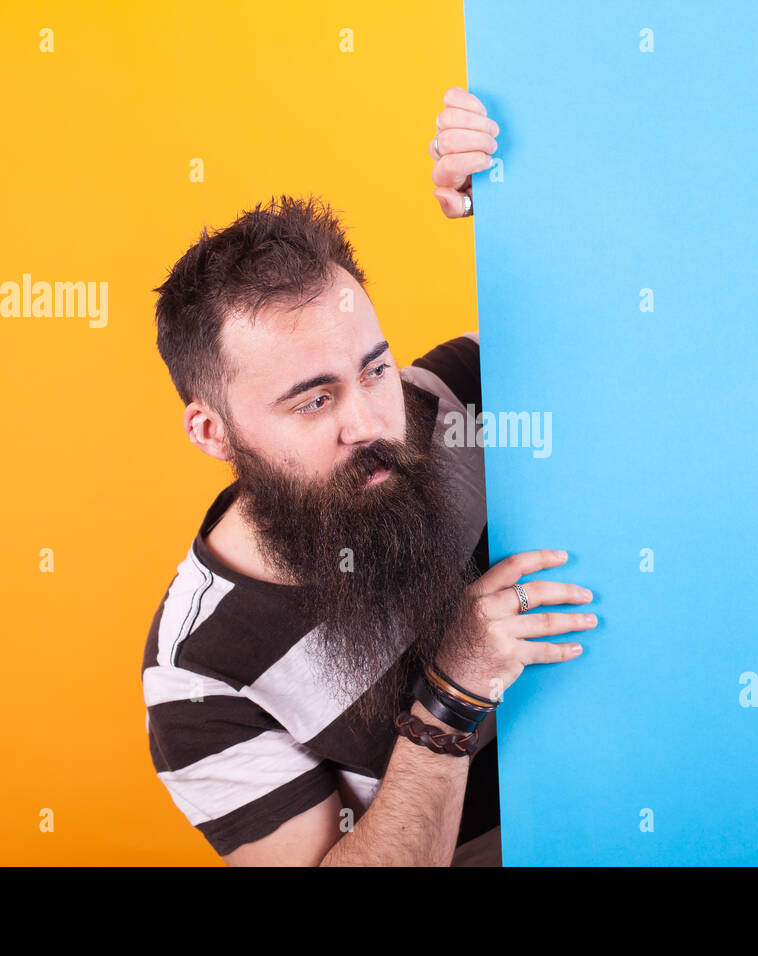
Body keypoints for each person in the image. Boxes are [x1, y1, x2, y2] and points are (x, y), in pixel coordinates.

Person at [141, 88, 598, 866]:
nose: (373, 425)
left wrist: (522, 197)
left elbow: (622, 312)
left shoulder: (440, 403)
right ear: (211, 431)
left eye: (374, 369)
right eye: (315, 400)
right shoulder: (197, 675)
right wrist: (452, 692)